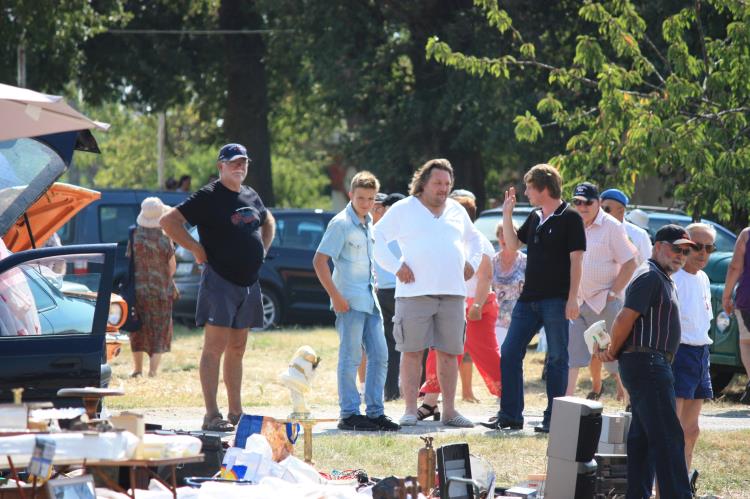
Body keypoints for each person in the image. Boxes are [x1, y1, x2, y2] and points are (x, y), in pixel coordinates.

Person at [160, 143, 276, 432]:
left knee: (238, 347)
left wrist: (262, 247)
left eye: (244, 162)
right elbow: (169, 221)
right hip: (220, 281)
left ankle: (236, 412)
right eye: (234, 162)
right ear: (220, 166)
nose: (240, 167)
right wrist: (197, 250)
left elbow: (268, 219)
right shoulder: (209, 196)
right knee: (215, 348)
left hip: (249, 282)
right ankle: (212, 414)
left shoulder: (250, 194)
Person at [374, 158, 483, 427]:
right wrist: (396, 266)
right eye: (437, 183)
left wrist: (472, 261)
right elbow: (375, 238)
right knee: (412, 352)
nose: (443, 188)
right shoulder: (403, 209)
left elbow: (475, 239)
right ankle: (410, 410)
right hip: (414, 293)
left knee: (449, 353)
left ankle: (449, 412)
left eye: (447, 183)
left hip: (453, 294)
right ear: (423, 183)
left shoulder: (457, 210)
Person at [596, 224, 696, 499]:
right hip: (647, 363)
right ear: (658, 246)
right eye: (676, 248)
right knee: (668, 436)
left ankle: (637, 495)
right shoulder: (650, 275)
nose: (681, 255)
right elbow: (625, 317)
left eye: (685, 251)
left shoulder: (660, 276)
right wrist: (612, 350)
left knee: (644, 438)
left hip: (647, 364)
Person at [488, 163, 586, 433]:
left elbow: (577, 261)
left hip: (557, 300)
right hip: (528, 299)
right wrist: (507, 214)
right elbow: (513, 243)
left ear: (544, 188)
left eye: (530, 187)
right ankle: (510, 416)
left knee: (557, 359)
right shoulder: (534, 216)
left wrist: (572, 298)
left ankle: (554, 419)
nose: (526, 192)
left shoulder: (571, 217)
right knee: (509, 352)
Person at [313, 171, 399, 432]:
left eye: (371, 198)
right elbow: (319, 261)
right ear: (351, 195)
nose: (366, 203)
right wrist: (335, 297)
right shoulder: (340, 224)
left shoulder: (370, 220)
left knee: (380, 356)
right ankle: (349, 414)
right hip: (348, 300)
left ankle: (375, 413)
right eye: (361, 198)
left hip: (370, 299)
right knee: (350, 358)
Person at [419, 191, 501, 419]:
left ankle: (507, 399)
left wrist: (477, 306)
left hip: (478, 308)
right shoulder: (451, 239)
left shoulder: (480, 241)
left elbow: (485, 277)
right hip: (452, 305)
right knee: (439, 354)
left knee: (486, 356)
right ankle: (430, 403)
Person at [566, 183, 637, 400]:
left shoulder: (612, 226)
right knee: (572, 356)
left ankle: (631, 404)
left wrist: (613, 293)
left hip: (605, 302)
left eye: (588, 202)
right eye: (577, 202)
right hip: (577, 302)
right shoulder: (571, 223)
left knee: (615, 357)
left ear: (598, 203)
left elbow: (630, 263)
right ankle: (565, 402)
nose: (582, 206)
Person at [672, 223, 716, 476]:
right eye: (697, 247)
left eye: (709, 248)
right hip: (680, 352)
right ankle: (663, 488)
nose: (703, 253)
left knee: (692, 430)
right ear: (686, 245)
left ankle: (682, 485)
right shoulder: (673, 278)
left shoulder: (704, 278)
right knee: (673, 429)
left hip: (701, 354)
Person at [128, 197, 176, 378]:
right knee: (160, 329)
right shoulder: (166, 238)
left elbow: (130, 261)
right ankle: (153, 372)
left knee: (137, 328)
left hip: (138, 291)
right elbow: (172, 267)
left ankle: (137, 370)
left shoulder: (134, 236)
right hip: (161, 292)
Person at [373, 192, 406, 401]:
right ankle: (416, 390)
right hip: (402, 291)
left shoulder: (377, 231)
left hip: (382, 291)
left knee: (390, 345)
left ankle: (391, 392)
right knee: (413, 344)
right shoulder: (404, 232)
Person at [723, 226, 750, 404]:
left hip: (747, 298)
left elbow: (735, 267)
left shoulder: (747, 234)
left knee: (746, 341)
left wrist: (726, 296)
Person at [492, 220, 526, 350]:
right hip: (496, 320)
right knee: (498, 359)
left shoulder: (525, 262)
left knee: (515, 357)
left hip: (519, 319)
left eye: (508, 234)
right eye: (501, 234)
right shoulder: (492, 261)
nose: (504, 238)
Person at [600, 188, 652, 264]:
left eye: (607, 209)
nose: (602, 213)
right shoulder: (593, 231)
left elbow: (647, 265)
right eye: (601, 209)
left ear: (621, 210)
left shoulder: (639, 235)